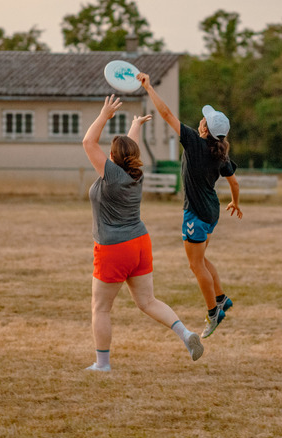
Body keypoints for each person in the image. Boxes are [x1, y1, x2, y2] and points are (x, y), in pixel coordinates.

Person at [82, 94, 204, 372]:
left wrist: (104, 115)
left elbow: (88, 142)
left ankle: (102, 364)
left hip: (113, 248)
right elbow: (130, 149)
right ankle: (185, 334)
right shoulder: (136, 173)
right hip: (139, 242)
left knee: (100, 308)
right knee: (147, 301)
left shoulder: (111, 175)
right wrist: (135, 124)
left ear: (112, 159)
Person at [137, 73, 243, 339]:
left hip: (196, 214)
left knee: (196, 266)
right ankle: (221, 298)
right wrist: (235, 202)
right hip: (212, 213)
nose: (200, 120)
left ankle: (213, 313)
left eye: (203, 120)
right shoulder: (220, 152)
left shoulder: (195, 143)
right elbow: (235, 184)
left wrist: (149, 87)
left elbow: (166, 113)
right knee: (202, 260)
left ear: (205, 129)